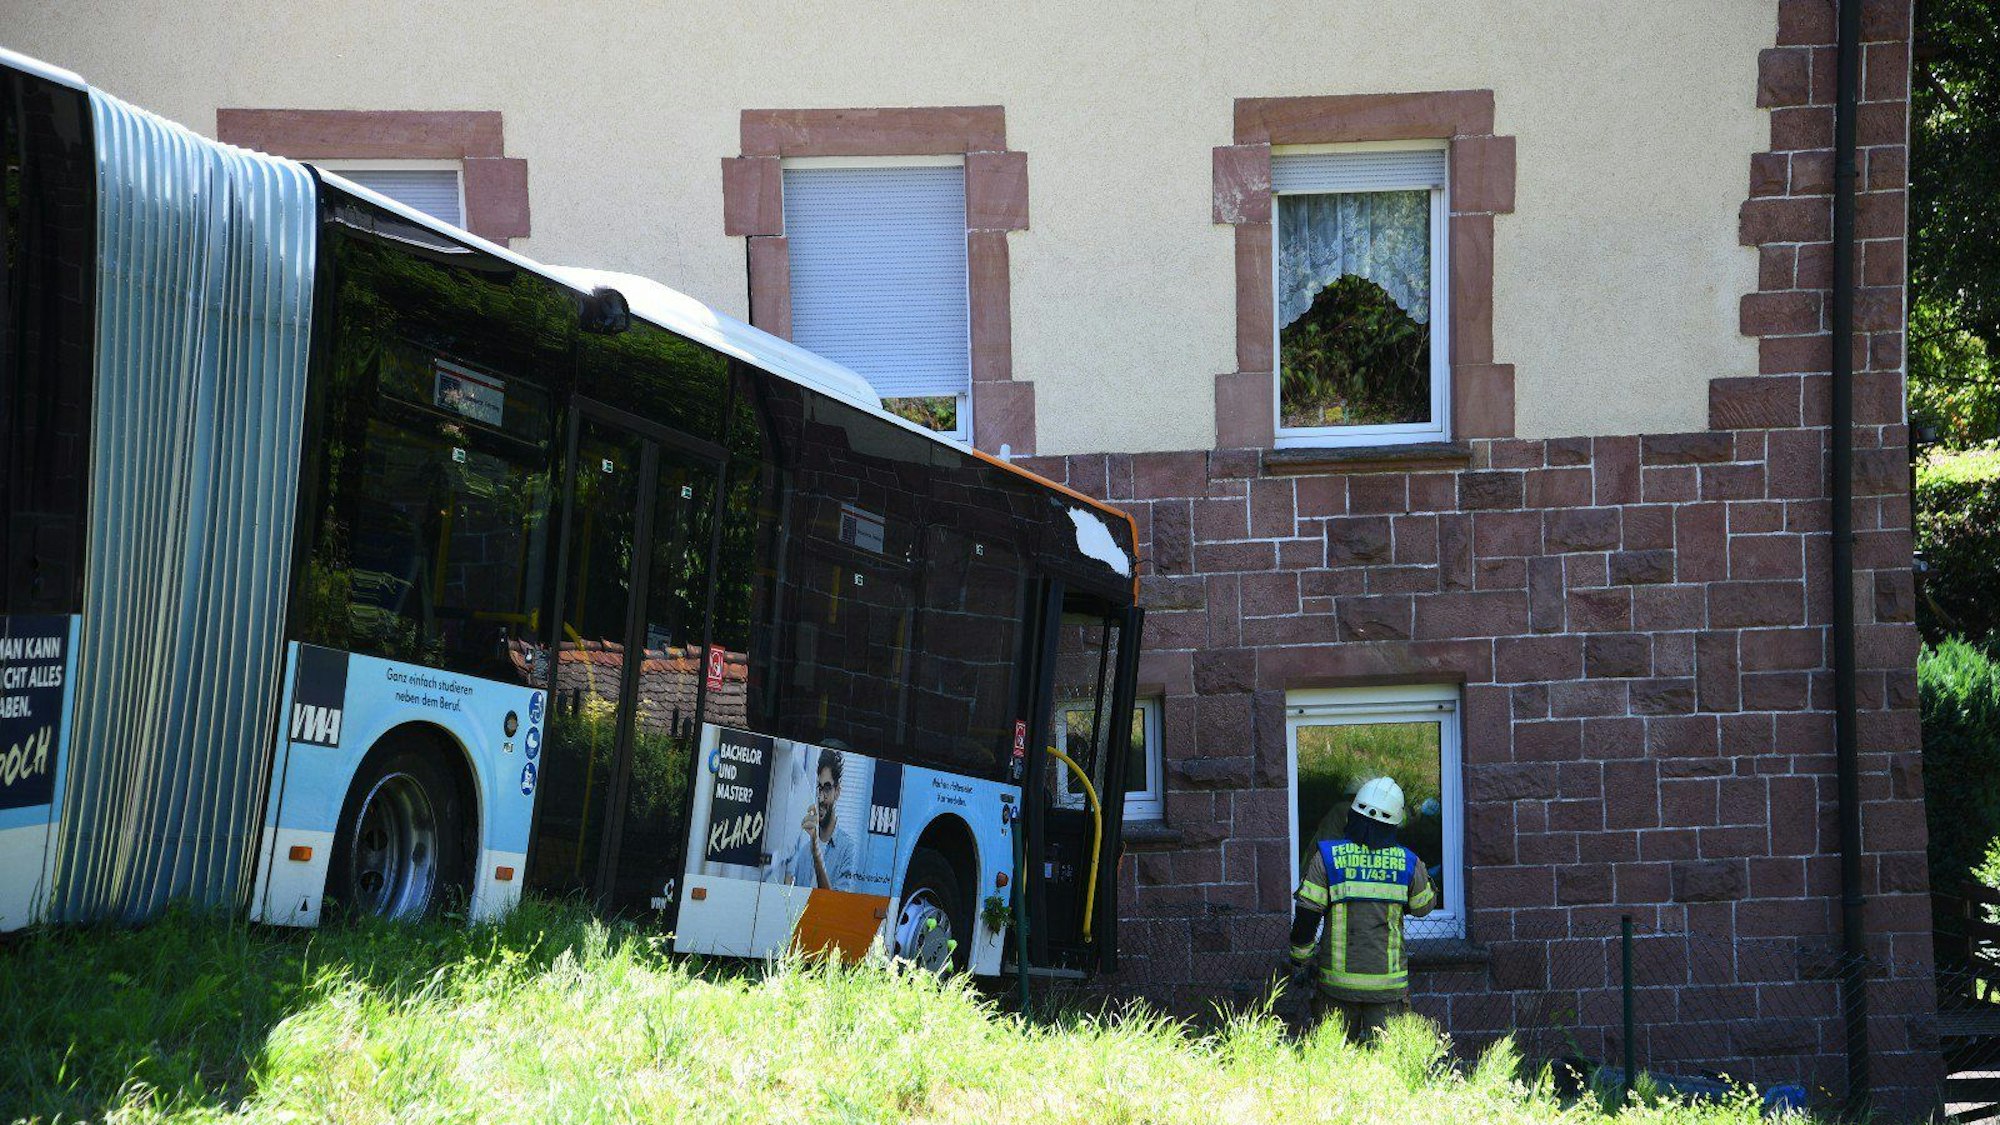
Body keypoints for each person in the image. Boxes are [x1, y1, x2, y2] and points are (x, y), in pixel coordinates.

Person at [1286, 776, 1437, 1042]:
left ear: (1353, 814)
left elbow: (1307, 916)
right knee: (1388, 1068)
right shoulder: (1408, 862)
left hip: (1336, 987)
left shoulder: (1328, 858)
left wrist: (1301, 960)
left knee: (1334, 1065)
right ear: (1395, 822)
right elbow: (1423, 906)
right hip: (1388, 989)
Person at [786, 745, 858, 891]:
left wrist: (816, 852)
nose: (820, 797)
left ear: (837, 792)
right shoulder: (805, 853)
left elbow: (836, 905)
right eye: (819, 788)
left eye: (827, 788)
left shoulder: (848, 849)